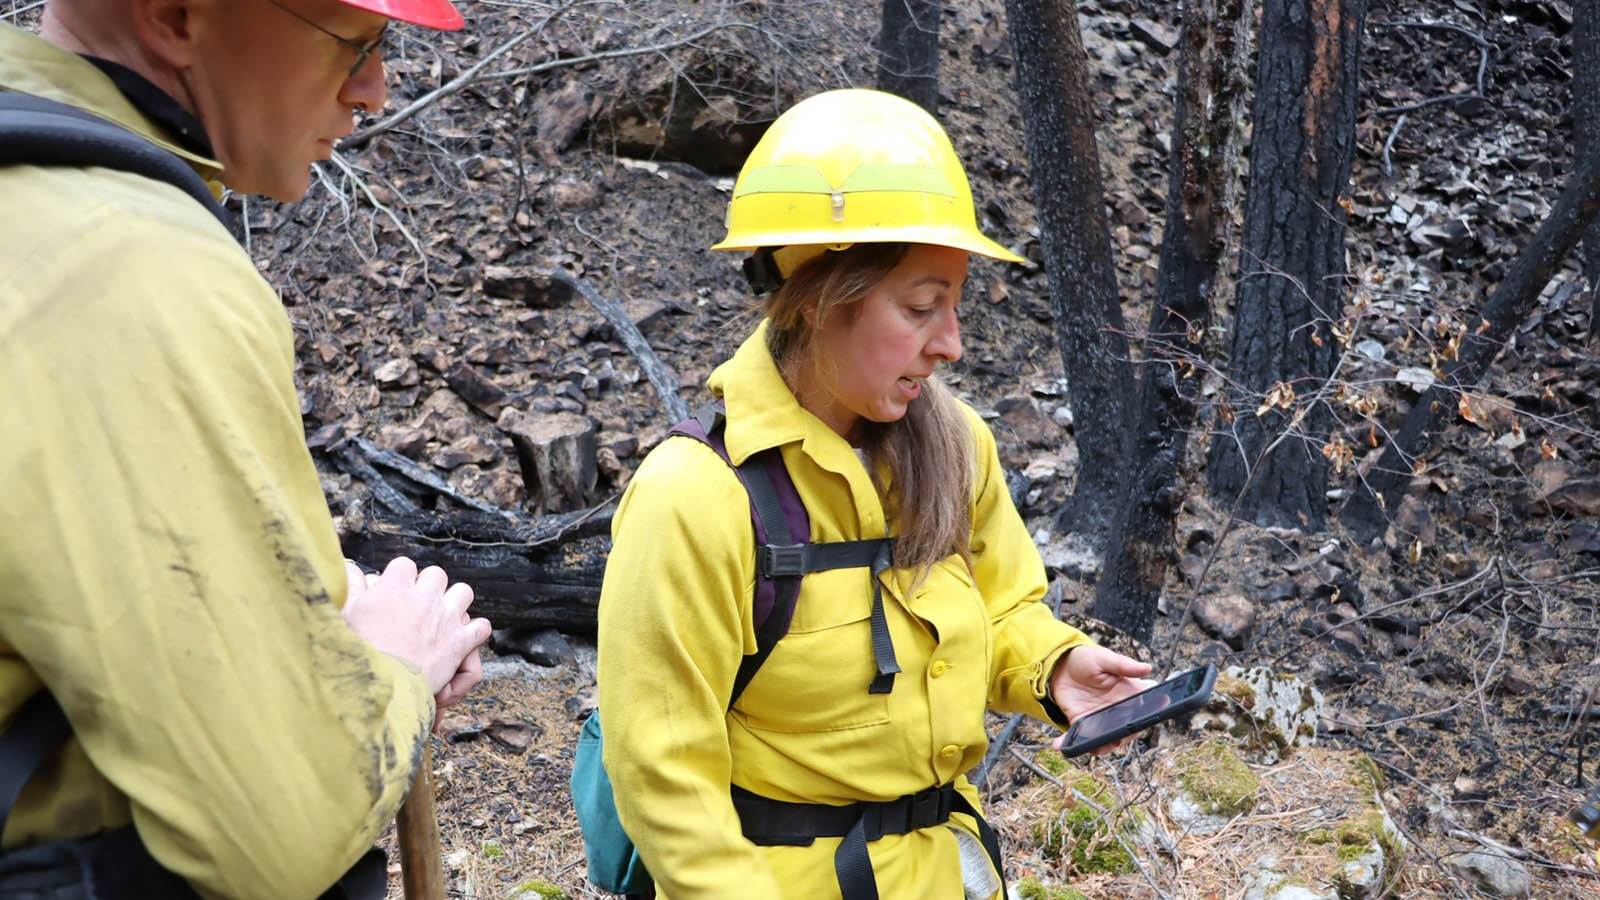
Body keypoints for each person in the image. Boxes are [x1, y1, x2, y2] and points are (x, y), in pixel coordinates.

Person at [596, 87, 1156, 900]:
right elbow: (664, 779)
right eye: (924, 306)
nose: (952, 344)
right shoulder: (695, 500)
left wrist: (1055, 666)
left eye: (956, 306)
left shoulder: (956, 449)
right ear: (822, 300)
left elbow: (999, 610)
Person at [0, 0, 491, 897]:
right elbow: (277, 836)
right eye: (356, 41)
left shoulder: (32, 198)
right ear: (176, 15)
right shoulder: (127, 267)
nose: (373, 91)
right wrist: (393, 668)